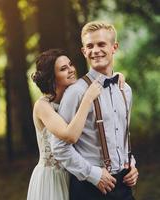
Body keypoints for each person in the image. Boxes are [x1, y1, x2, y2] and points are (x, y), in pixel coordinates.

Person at [51, 21, 139, 200]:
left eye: (101, 44)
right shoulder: (75, 92)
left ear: (114, 47)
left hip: (124, 186)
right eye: (90, 46)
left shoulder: (125, 90)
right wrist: (92, 174)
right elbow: (59, 147)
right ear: (84, 52)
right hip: (89, 188)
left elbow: (122, 137)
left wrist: (132, 164)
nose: (95, 50)